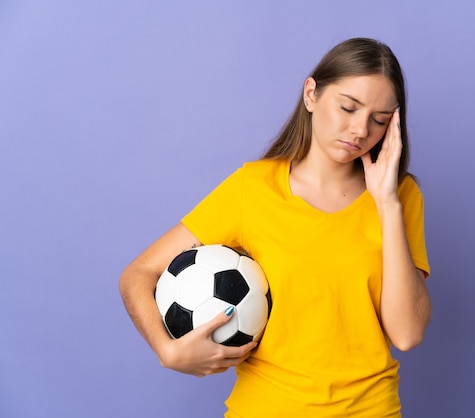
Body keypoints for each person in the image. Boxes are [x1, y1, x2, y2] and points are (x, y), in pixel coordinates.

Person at [119, 37, 431, 417]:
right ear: (311, 94)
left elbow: (407, 334)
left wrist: (387, 203)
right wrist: (167, 350)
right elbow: (139, 273)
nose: (360, 130)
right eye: (348, 107)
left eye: (379, 120)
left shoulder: (401, 197)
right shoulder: (253, 189)